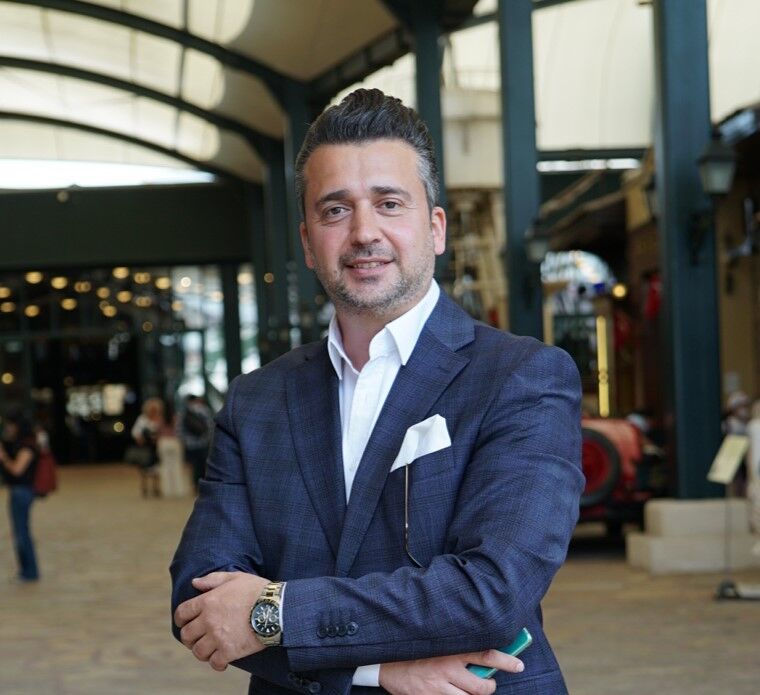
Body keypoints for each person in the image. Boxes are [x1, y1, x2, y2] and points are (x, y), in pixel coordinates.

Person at [171, 89, 584, 695]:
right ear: (308, 242)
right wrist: (379, 671)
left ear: (435, 228)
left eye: (389, 204)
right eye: (335, 210)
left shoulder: (522, 378)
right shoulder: (256, 402)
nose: (364, 232)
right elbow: (199, 602)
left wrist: (275, 613)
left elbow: (491, 593)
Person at [0, 412, 40, 582]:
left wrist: (4, 458)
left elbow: (17, 470)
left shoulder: (27, 446)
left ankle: (30, 571)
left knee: (22, 533)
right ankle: (26, 570)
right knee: (19, 532)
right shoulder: (18, 444)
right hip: (18, 491)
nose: (8, 428)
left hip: (22, 492)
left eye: (10, 425)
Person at [130, 397, 166, 497]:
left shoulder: (160, 419)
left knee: (156, 469)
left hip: (156, 447)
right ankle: (144, 487)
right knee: (144, 468)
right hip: (146, 447)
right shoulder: (142, 419)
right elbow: (135, 432)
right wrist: (140, 439)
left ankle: (156, 488)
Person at [179, 394, 214, 492]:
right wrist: (207, 439)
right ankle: (202, 485)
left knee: (195, 466)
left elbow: (180, 430)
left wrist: (185, 441)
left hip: (191, 445)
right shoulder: (205, 410)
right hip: (202, 444)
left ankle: (196, 485)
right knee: (202, 465)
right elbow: (210, 426)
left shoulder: (184, 413)